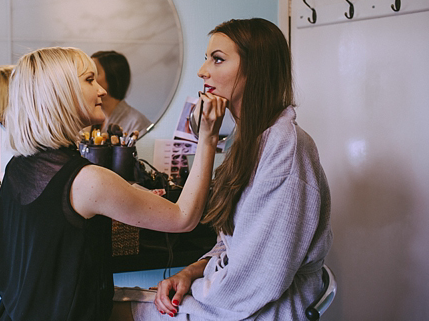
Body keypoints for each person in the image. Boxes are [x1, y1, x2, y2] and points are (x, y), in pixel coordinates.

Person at [0, 47, 227, 320]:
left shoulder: (18, 167)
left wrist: (130, 192)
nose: (101, 90)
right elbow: (184, 218)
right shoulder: (87, 180)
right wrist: (208, 137)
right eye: (90, 80)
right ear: (60, 94)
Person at [126, 19, 333, 320]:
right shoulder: (246, 139)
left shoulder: (285, 146)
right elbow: (232, 242)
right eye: (206, 59)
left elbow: (259, 279)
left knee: (114, 308)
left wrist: (197, 290)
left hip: (258, 311)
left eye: (218, 59)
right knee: (120, 301)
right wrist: (191, 272)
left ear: (255, 70)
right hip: (233, 299)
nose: (202, 72)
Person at [91, 50, 152, 136]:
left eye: (95, 73)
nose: (89, 78)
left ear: (112, 77)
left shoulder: (136, 123)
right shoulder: (91, 119)